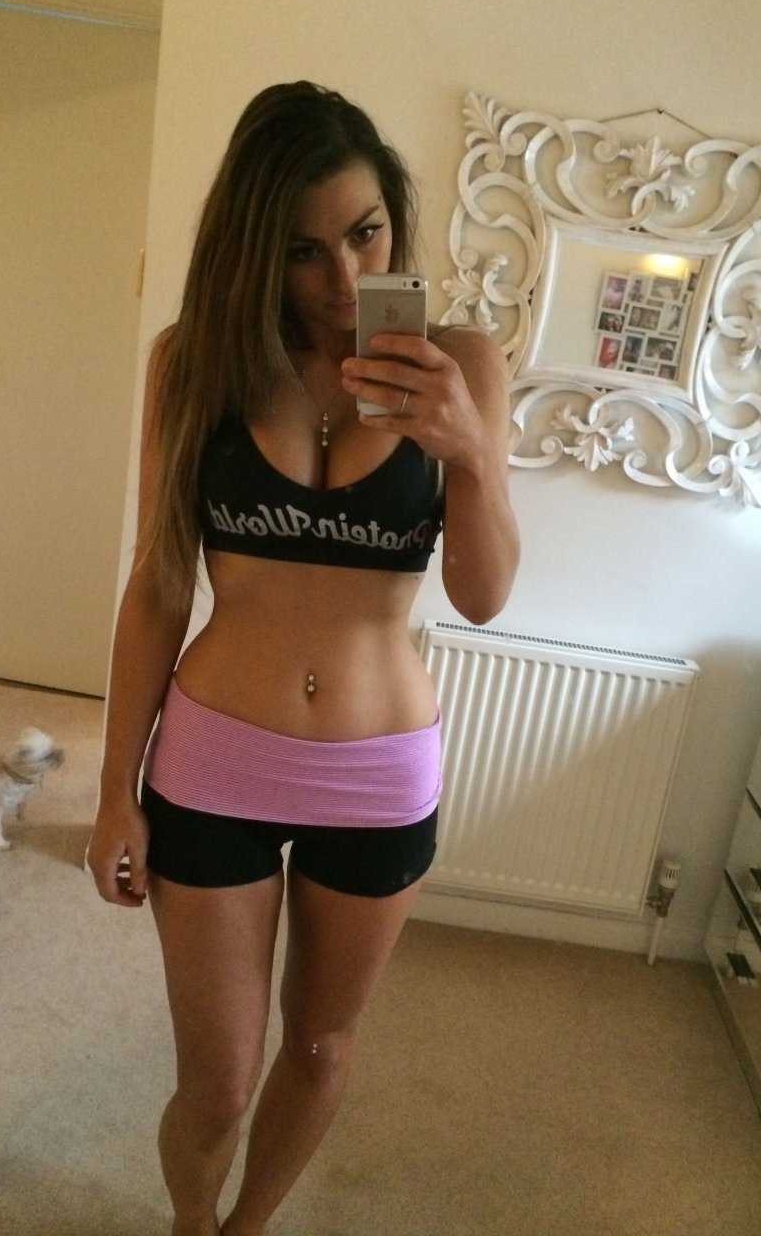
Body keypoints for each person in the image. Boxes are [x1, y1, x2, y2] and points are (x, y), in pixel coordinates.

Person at [86, 80, 519, 1236]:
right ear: (253, 249)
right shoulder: (195, 362)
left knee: (322, 1044)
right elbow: (159, 584)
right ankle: (192, 1223)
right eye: (301, 248)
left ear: (395, 219)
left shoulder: (462, 363)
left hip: (380, 772)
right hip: (214, 757)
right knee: (219, 1079)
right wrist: (113, 790)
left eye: (364, 233)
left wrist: (471, 452)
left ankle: (247, 1229)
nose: (341, 275)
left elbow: (482, 597)